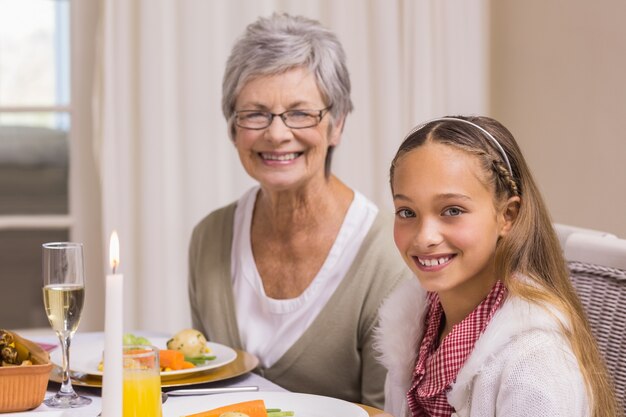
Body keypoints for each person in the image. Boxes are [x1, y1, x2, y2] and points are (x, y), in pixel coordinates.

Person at [187, 13, 411, 408]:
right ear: (233, 129)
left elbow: (386, 413)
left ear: (336, 124)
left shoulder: (384, 257)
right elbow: (203, 394)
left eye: (300, 113)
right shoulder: (209, 238)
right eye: (255, 113)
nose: (276, 133)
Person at [374, 116, 618, 417]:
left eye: (452, 210)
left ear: (508, 215)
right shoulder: (415, 327)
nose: (425, 237)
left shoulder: (534, 362)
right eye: (407, 212)